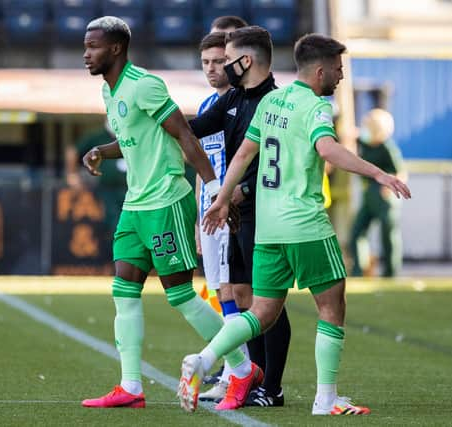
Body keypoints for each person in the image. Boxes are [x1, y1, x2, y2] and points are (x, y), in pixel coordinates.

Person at [178, 33, 411, 415]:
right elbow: (327, 148)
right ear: (320, 71)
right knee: (332, 307)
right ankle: (326, 399)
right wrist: (378, 173)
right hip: (305, 224)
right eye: (338, 69)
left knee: (261, 312)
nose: (340, 76)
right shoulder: (316, 106)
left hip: (267, 230)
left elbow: (241, 156)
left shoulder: (271, 101)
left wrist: (220, 199)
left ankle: (203, 360)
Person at [79, 16, 241, 409]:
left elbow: (183, 133)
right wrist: (103, 150)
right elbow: (135, 138)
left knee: (181, 295)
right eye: (85, 46)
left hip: (167, 199)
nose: (86, 54)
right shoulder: (109, 91)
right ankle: (131, 386)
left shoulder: (145, 85)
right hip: (136, 205)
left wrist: (216, 185)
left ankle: (240, 367)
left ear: (116, 49)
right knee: (123, 291)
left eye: (93, 46)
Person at [188, 26, 291, 409]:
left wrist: (236, 194)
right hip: (236, 214)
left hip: (264, 215)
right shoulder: (232, 100)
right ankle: (253, 376)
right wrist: (156, 117)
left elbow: (266, 164)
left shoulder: (275, 104)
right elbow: (195, 128)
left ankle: (273, 387)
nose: (221, 67)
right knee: (244, 296)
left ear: (245, 61)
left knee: (268, 302)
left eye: (227, 59)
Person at [193, 31, 252, 404]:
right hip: (209, 213)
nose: (212, 69)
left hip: (233, 210)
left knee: (235, 291)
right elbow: (201, 165)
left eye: (218, 61)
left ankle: (239, 374)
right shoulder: (204, 107)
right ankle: (235, 371)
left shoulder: (241, 106)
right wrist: (199, 219)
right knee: (219, 291)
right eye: (205, 63)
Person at [349, 108, 406, 277]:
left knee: (388, 236)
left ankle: (391, 272)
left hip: (384, 198)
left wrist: (390, 187)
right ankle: (358, 270)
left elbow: (401, 172)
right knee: (357, 232)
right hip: (368, 197)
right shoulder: (364, 142)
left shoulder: (387, 148)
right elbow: (350, 135)